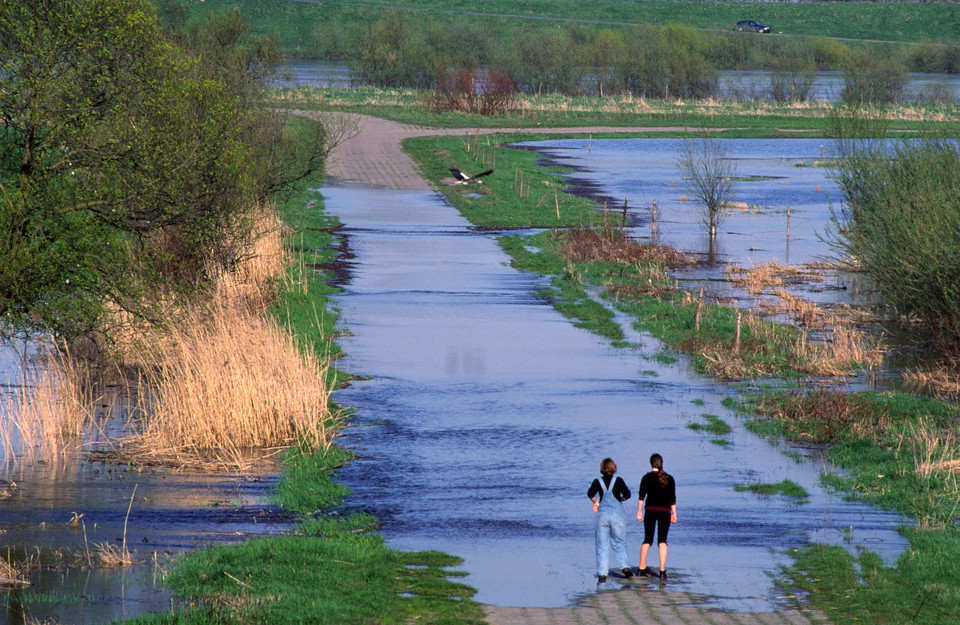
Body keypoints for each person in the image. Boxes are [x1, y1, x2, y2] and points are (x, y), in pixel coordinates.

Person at [588, 457, 634, 583]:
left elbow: (590, 493)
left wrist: (596, 502)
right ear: (614, 468)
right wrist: (621, 499)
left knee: (602, 545)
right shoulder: (618, 480)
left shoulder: (598, 481)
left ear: (602, 469)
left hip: (603, 515)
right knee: (619, 542)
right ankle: (625, 567)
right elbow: (628, 495)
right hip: (617, 515)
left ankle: (602, 574)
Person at [635, 453, 677, 580]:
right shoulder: (669, 478)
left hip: (650, 510)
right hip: (665, 511)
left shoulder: (646, 478)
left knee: (647, 539)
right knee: (662, 541)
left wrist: (639, 511)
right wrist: (674, 513)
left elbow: (641, 496)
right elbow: (672, 499)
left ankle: (641, 568)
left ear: (651, 463)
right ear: (661, 463)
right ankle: (662, 571)